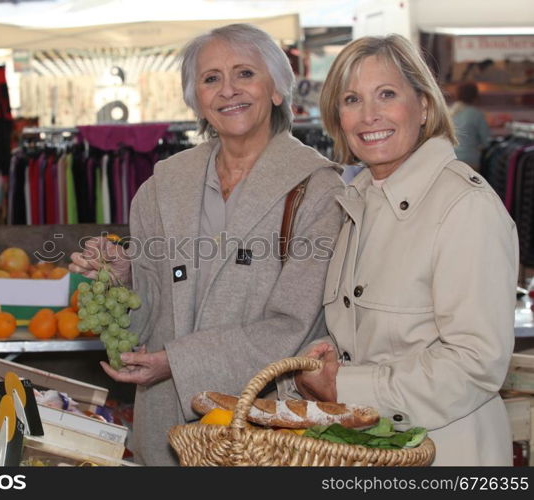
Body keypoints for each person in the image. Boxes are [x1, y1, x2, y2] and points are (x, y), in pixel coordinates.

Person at [68, 23, 344, 465]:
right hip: (164, 426)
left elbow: (295, 325)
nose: (228, 90)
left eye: (245, 74)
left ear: (277, 90)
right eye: (211, 78)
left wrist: (176, 363)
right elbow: (151, 308)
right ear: (196, 98)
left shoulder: (316, 190)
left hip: (260, 431)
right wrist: (126, 276)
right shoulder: (161, 186)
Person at [291, 34, 517, 466]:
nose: (369, 115)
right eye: (351, 99)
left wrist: (346, 387)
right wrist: (332, 359)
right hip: (373, 450)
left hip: (449, 454)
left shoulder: (463, 206)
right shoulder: (361, 200)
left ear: (425, 106)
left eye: (387, 94)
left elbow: (475, 364)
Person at [450, 82, 491, 171]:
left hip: (450, 160)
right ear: (475, 96)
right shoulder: (476, 114)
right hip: (470, 161)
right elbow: (486, 142)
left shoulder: (449, 112)